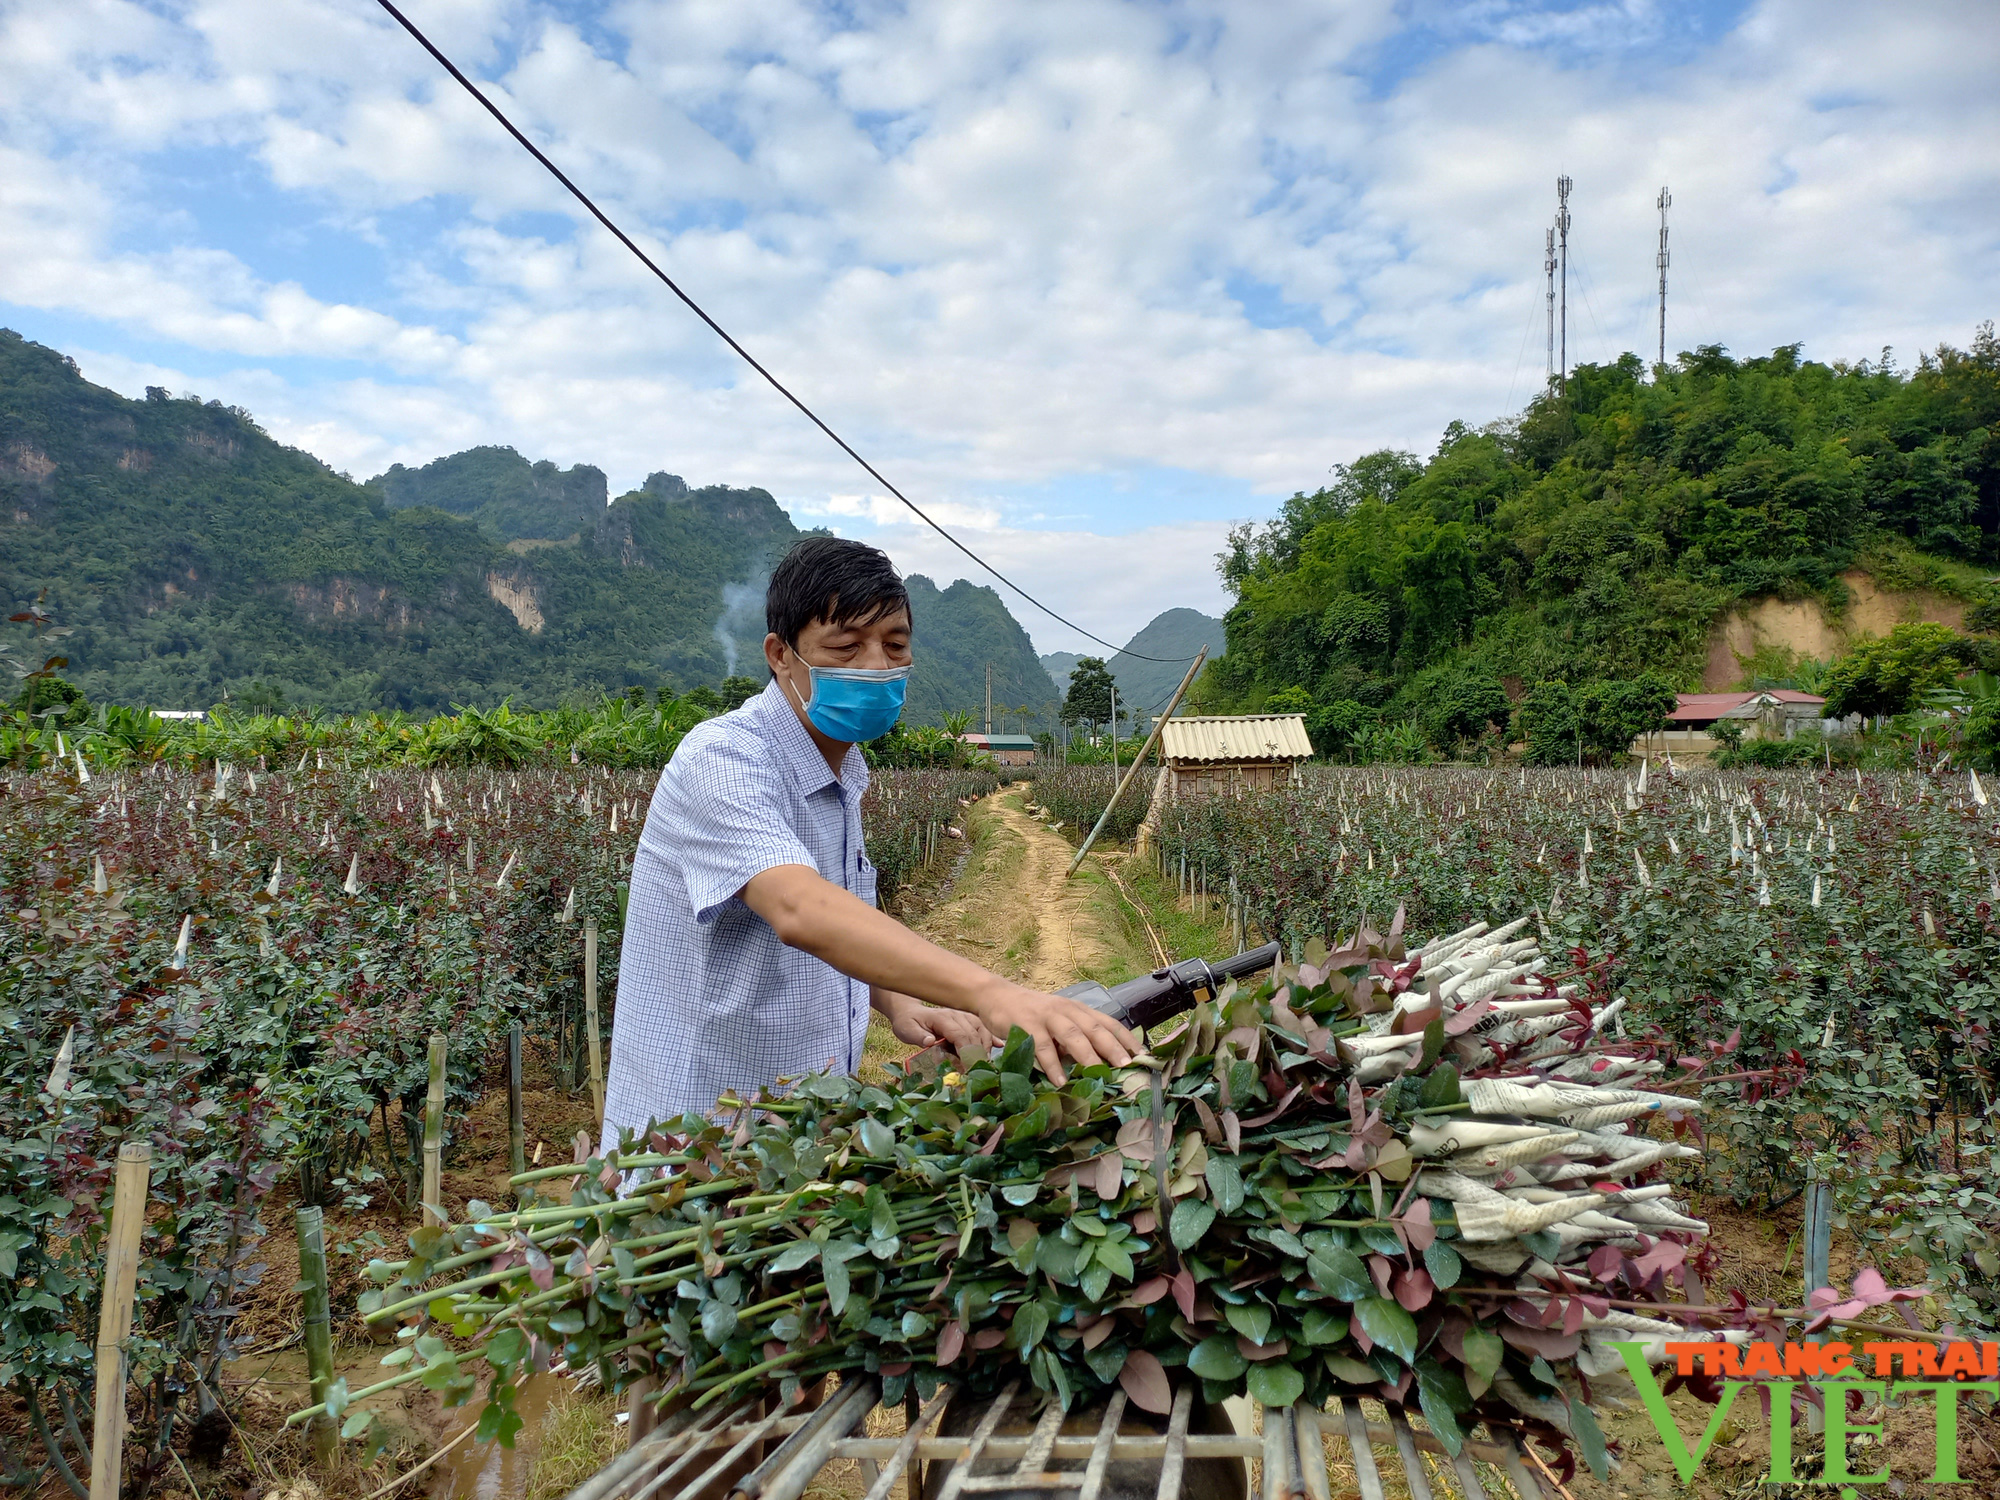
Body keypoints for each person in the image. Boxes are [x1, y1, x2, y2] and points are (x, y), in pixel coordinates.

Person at [600, 537, 1137, 1149]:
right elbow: (803, 909)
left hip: (799, 1140)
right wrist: (995, 992)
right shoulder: (724, 758)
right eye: (846, 647)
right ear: (781, 655)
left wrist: (898, 998)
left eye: (895, 645)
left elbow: (838, 914)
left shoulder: (844, 768)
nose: (877, 666)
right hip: (698, 1146)